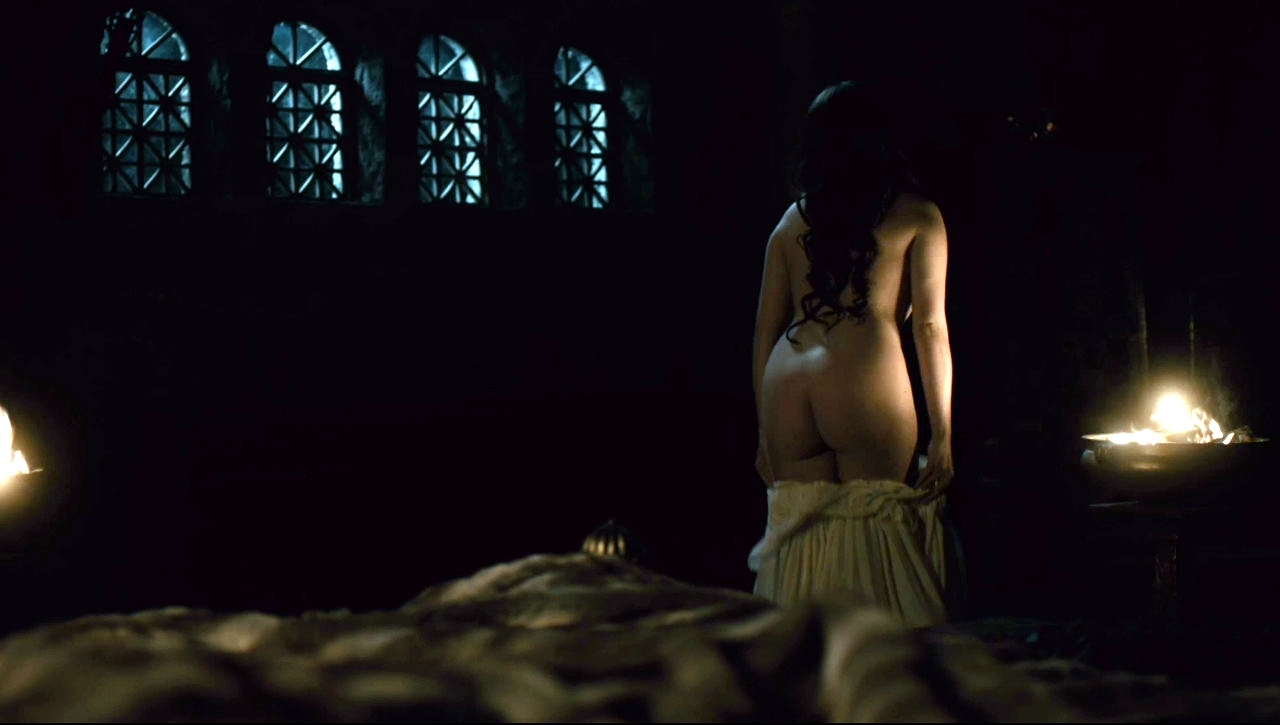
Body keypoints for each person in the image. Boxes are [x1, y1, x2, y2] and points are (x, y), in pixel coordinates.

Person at [747, 80, 957, 626]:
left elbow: (764, 331)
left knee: (799, 547)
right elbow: (930, 327)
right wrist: (943, 433)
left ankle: (801, 670)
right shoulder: (918, 215)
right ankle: (871, 670)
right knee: (877, 541)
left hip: (788, 380)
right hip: (862, 377)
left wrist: (764, 430)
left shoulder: (791, 221)